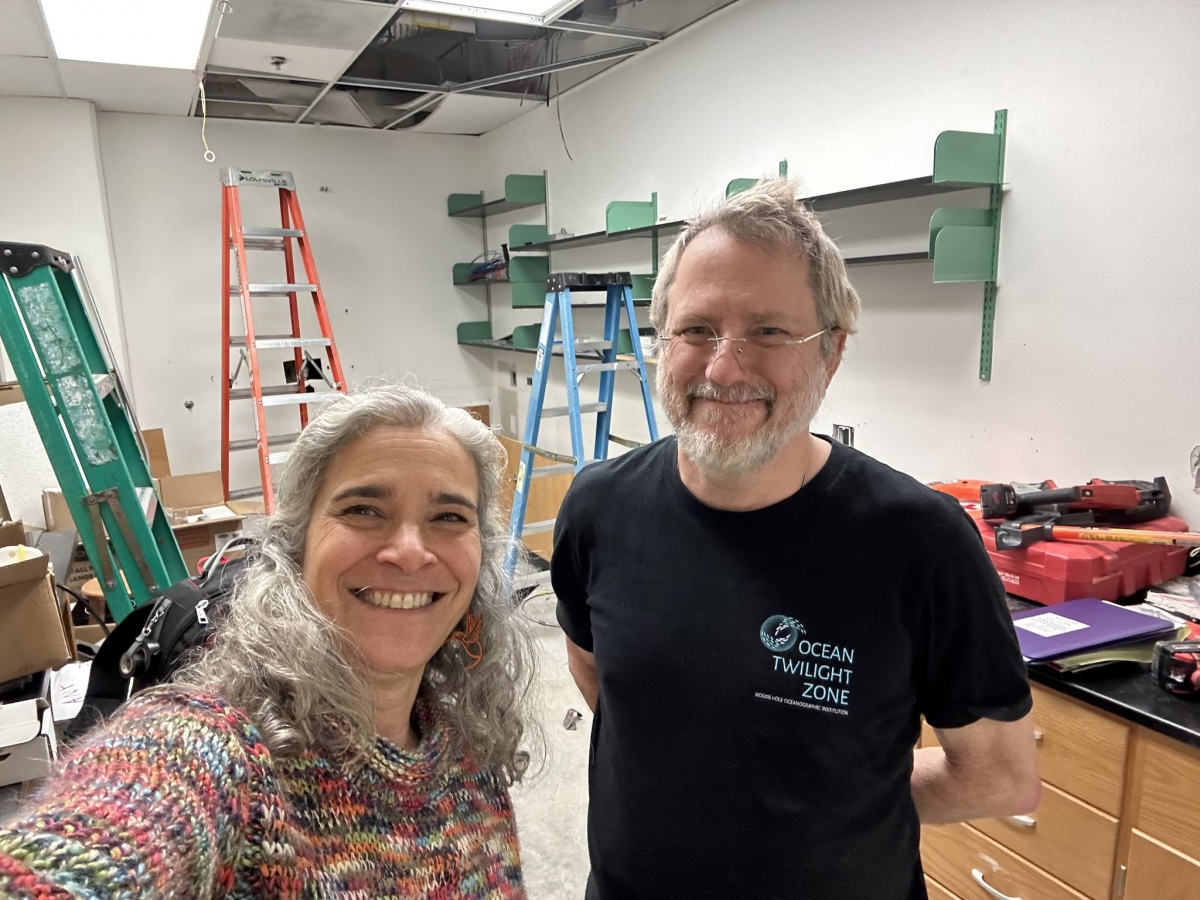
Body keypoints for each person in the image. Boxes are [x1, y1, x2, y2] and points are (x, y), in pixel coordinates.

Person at [551, 179, 1040, 900]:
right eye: (696, 329)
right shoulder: (599, 506)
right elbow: (600, 676)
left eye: (769, 332)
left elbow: (998, 776)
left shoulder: (922, 542)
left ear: (831, 353)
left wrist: (835, 806)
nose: (723, 367)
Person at [0, 385, 539, 899]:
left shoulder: (464, 742)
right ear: (295, 546)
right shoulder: (219, 751)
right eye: (363, 510)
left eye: (449, 517)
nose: (409, 551)